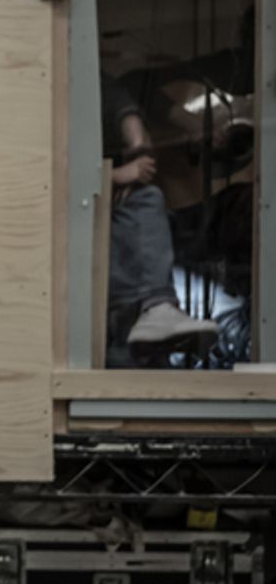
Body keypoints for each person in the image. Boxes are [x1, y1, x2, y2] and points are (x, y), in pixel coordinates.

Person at [101, 73, 218, 365]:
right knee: (146, 201)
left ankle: (155, 313)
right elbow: (49, 176)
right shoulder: (54, 96)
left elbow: (122, 101)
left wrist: (137, 144)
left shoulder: (107, 88)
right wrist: (113, 176)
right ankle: (155, 307)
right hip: (81, 240)